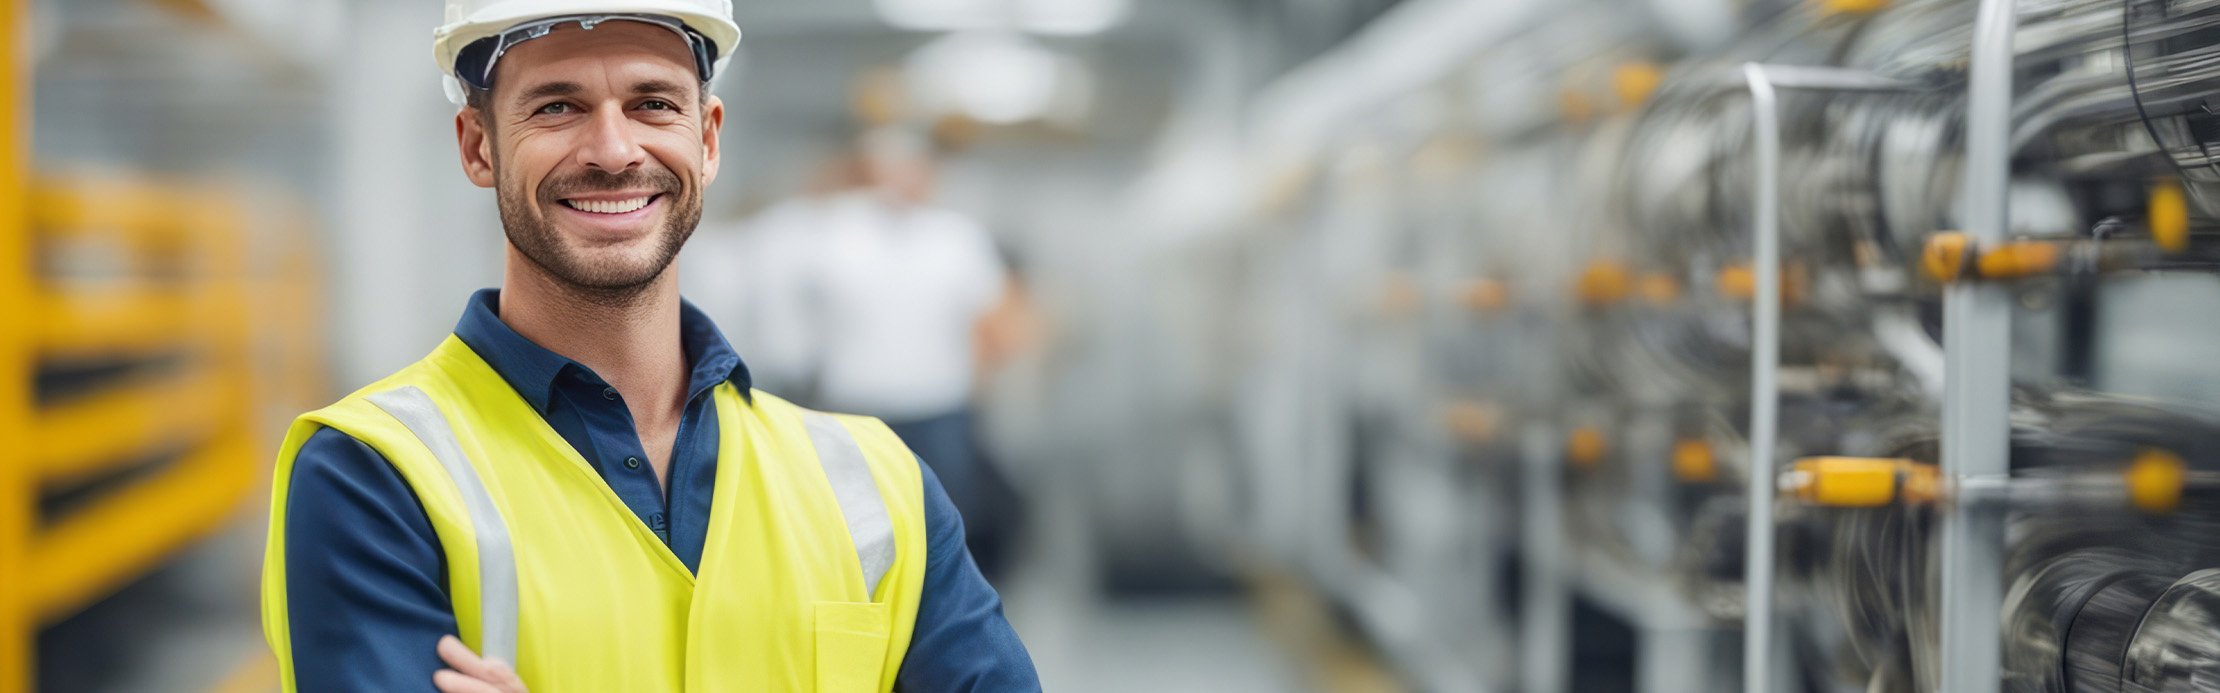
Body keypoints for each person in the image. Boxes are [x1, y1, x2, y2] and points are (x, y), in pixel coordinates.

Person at [257, 1, 1041, 690]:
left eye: (653, 103)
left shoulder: (879, 485)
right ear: (477, 146)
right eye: (557, 106)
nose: (613, 150)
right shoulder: (375, 473)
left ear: (707, 137)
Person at [691, 130, 1021, 573]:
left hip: (933, 406)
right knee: (859, 534)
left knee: (932, 537)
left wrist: (974, 385)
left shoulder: (953, 237)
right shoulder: (833, 232)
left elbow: (995, 325)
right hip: (859, 408)